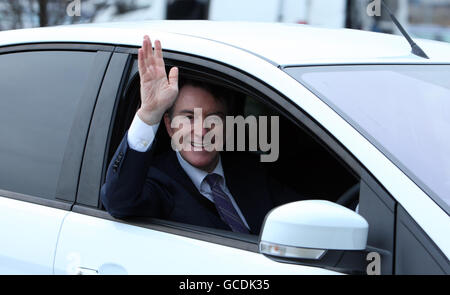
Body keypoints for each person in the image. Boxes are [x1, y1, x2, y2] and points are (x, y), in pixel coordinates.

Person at [100, 35, 303, 235]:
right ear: (170, 127)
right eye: (188, 118)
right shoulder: (157, 180)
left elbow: (300, 217)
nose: (202, 131)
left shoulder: (250, 170)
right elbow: (119, 201)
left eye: (214, 118)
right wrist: (149, 114)